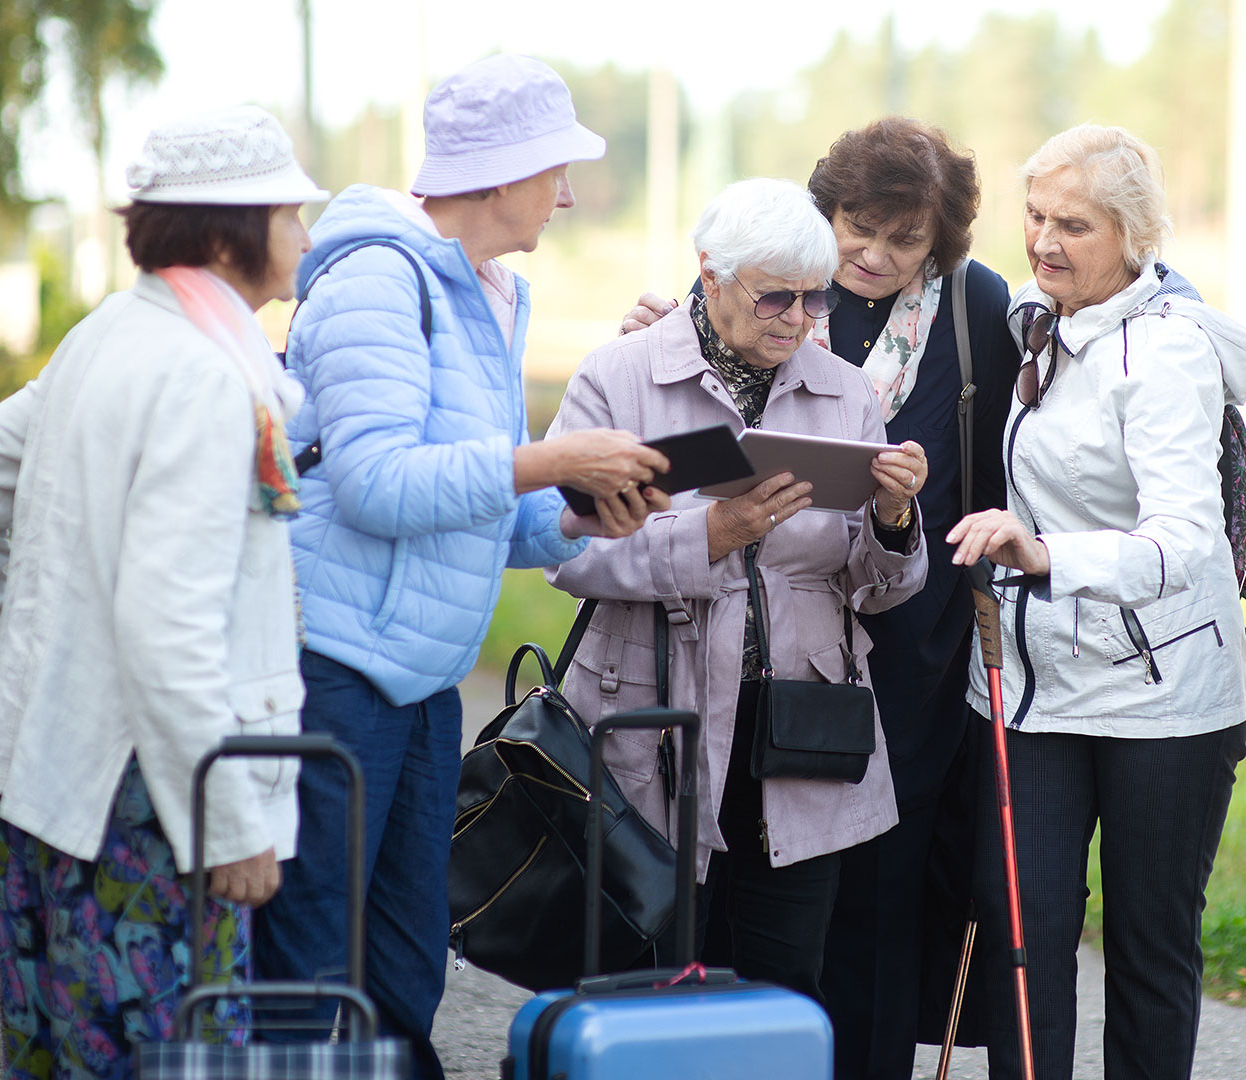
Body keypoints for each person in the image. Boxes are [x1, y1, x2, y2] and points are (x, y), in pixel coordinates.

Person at [250, 54, 670, 1079]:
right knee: (308, 969)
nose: (566, 194)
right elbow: (377, 482)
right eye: (554, 170)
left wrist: (580, 513)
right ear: (500, 173)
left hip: (426, 682)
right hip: (337, 670)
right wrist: (552, 459)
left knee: (404, 974)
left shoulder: (491, 292)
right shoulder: (376, 280)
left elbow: (483, 509)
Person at [0, 106, 329, 1076]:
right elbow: (169, 623)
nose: (306, 237)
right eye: (291, 214)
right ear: (230, 234)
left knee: (63, 1051)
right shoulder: (202, 374)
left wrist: (4, 681)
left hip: (57, 773)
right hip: (155, 799)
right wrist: (231, 826)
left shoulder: (112, 332)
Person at [622, 118, 1022, 1078]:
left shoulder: (972, 309)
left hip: (910, 646)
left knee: (882, 885)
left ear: (941, 244)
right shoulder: (778, 292)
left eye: (905, 239)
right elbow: (677, 410)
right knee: (746, 863)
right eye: (858, 227)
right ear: (823, 212)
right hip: (767, 633)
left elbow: (993, 475)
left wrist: (909, 515)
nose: (875, 257)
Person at [547, 177, 931, 1004]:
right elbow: (564, 548)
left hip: (798, 734)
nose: (798, 320)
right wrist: (711, 537)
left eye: (814, 299)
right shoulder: (620, 378)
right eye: (774, 300)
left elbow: (876, 588)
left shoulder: (844, 390)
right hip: (654, 723)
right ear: (709, 276)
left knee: (783, 982)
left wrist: (895, 519)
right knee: (642, 977)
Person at [946, 124, 1246, 1080]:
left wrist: (1045, 553)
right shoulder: (1039, 324)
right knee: (1023, 935)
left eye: (1073, 224)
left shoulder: (1165, 353)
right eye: (1036, 216)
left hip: (1164, 702)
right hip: (1035, 689)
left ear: (1134, 236)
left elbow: (1187, 542)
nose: (1043, 242)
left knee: (1148, 946)